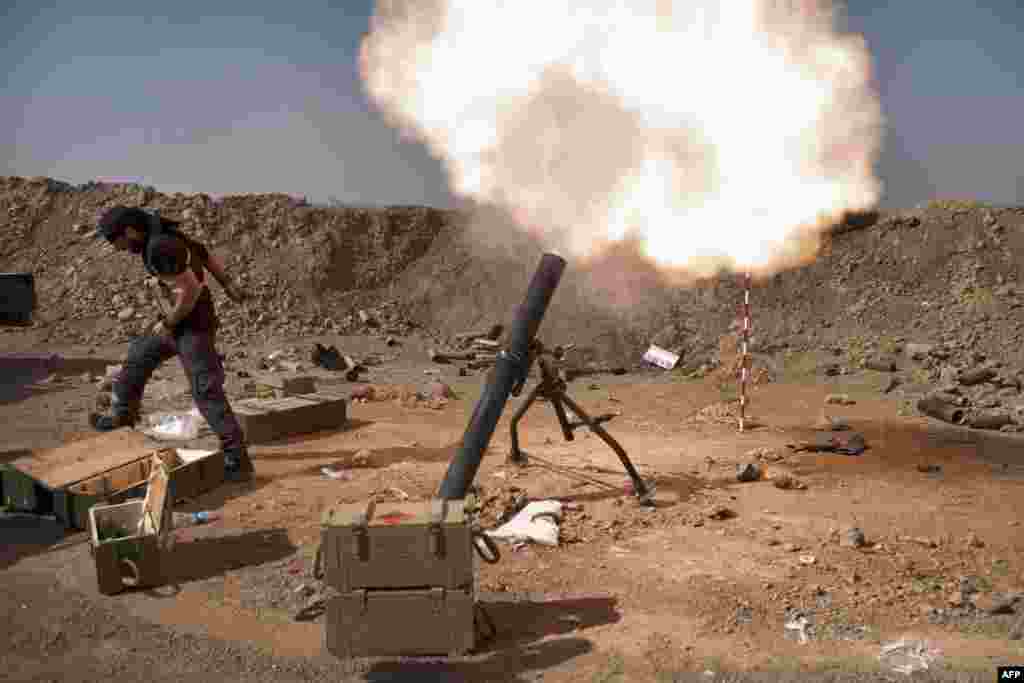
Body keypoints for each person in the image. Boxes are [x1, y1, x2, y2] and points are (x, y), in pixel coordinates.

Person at [91, 205, 254, 481]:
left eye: (115, 241)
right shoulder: (159, 232)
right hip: (176, 319)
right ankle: (123, 418)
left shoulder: (159, 246)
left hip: (193, 325)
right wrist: (227, 284)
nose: (117, 248)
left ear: (129, 231)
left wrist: (168, 323)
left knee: (206, 391)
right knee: (137, 360)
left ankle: (237, 458)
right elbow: (202, 252)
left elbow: (191, 290)